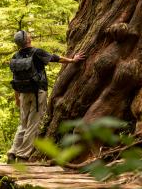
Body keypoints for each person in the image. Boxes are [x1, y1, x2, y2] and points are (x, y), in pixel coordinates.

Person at [7, 30, 85, 163]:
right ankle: (22, 156)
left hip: (23, 93)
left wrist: (16, 97)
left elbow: (15, 78)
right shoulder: (36, 52)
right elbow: (56, 58)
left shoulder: (15, 57)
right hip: (38, 92)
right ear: (28, 39)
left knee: (23, 124)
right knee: (33, 124)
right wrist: (73, 60)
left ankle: (12, 152)